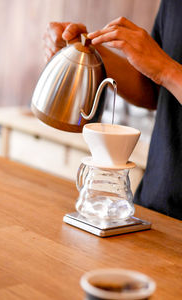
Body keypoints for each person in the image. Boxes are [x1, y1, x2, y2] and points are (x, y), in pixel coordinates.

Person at [43, 0, 182, 220]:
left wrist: (167, 69)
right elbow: (156, 90)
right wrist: (87, 51)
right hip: (156, 203)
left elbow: (164, 71)